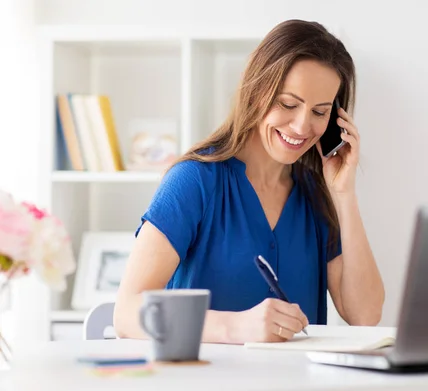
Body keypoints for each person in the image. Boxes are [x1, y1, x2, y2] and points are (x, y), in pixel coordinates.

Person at [114, 19, 385, 344]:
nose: (302, 126)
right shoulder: (193, 181)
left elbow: (365, 315)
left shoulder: (316, 194)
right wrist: (235, 327)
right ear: (258, 92)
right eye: (288, 104)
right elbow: (127, 313)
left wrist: (344, 193)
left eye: (320, 111)